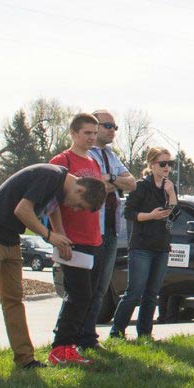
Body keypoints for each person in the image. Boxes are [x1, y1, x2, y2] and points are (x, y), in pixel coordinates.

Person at [0, 163, 104, 373]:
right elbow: (22, 210)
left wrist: (60, 236)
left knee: (14, 299)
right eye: (79, 205)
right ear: (80, 189)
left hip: (11, 238)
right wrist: (49, 236)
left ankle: (25, 358)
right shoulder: (51, 176)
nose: (75, 209)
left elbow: (53, 208)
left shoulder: (61, 185)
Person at [47, 114, 108, 364]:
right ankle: (61, 347)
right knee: (77, 294)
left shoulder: (94, 162)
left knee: (90, 294)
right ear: (73, 133)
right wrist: (59, 235)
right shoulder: (61, 161)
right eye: (87, 133)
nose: (92, 137)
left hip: (94, 238)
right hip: (72, 239)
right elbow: (52, 203)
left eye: (95, 133)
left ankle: (79, 341)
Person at [112, 147, 178, 340]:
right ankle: (117, 331)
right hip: (141, 245)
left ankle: (145, 333)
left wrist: (172, 194)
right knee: (134, 292)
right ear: (151, 164)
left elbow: (175, 215)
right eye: (162, 163)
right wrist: (150, 216)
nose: (166, 167)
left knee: (152, 293)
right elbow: (129, 213)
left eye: (169, 164)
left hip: (162, 245)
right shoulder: (141, 186)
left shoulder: (169, 187)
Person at [86, 110, 136, 345]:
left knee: (101, 288)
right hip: (90, 229)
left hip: (112, 228)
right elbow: (90, 187)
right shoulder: (85, 155)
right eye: (107, 125)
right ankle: (73, 337)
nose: (112, 131)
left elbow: (132, 183)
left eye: (114, 127)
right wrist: (109, 182)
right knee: (85, 287)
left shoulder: (111, 156)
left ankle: (89, 336)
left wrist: (110, 180)